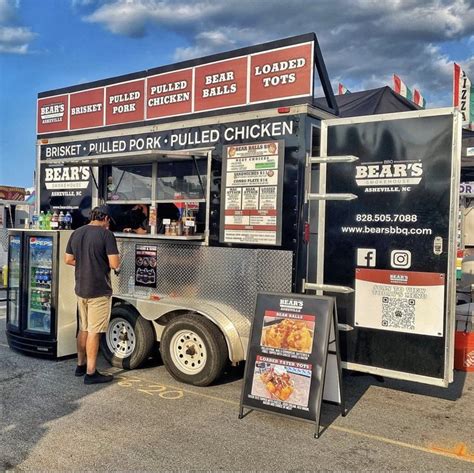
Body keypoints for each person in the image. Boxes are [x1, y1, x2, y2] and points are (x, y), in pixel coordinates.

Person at [64, 205, 120, 385]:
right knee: (94, 332)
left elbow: (68, 259)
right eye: (109, 221)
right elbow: (114, 263)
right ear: (106, 219)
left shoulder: (77, 232)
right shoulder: (106, 235)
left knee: (84, 329)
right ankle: (91, 372)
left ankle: (80, 365)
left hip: (81, 288)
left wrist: (86, 263)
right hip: (99, 290)